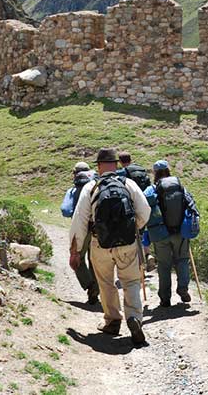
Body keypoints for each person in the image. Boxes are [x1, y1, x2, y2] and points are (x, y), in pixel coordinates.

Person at [69, 148, 151, 347]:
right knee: (131, 281)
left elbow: (79, 221)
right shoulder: (128, 184)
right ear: (116, 164)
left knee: (106, 283)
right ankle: (134, 318)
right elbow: (145, 211)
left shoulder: (91, 187)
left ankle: (113, 321)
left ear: (98, 166)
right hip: (128, 243)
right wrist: (134, 229)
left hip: (100, 244)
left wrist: (75, 251)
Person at [151, 160, 198, 307]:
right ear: (168, 171)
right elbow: (191, 205)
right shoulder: (180, 187)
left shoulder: (152, 189)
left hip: (160, 234)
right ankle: (183, 288)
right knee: (182, 260)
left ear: (155, 173)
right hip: (180, 233)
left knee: (164, 265)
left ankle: (165, 298)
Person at [60, 162, 99, 305]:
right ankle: (96, 289)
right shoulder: (97, 187)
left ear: (74, 173)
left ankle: (89, 284)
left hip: (80, 230)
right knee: (95, 261)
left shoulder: (73, 190)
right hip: (97, 229)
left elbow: (66, 210)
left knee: (77, 259)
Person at [117, 152, 154, 270]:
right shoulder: (141, 169)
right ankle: (148, 254)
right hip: (144, 203)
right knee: (144, 231)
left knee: (134, 235)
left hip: (131, 206)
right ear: (130, 159)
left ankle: (140, 264)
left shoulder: (123, 172)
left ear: (120, 162)